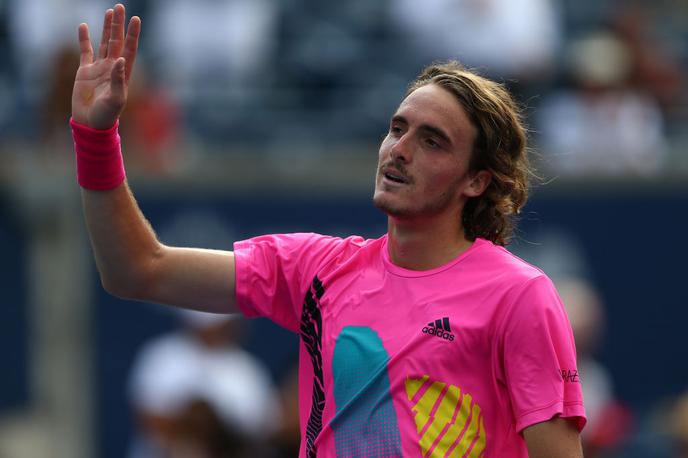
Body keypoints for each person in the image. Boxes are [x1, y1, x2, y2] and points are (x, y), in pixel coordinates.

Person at [71, 4, 586, 457]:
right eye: (397, 128)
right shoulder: (316, 269)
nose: (399, 149)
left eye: (433, 141)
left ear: (476, 180)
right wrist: (96, 139)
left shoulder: (520, 296)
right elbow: (137, 270)